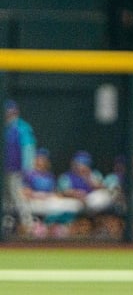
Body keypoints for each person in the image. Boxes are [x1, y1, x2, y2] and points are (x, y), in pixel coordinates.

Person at [22, 147, 83, 238]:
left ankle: (54, 225)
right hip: (34, 202)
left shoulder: (49, 176)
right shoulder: (29, 175)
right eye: (39, 158)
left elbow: (56, 192)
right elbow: (24, 193)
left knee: (73, 205)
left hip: (48, 201)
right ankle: (43, 226)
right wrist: (40, 195)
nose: (41, 161)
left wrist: (55, 196)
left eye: (43, 159)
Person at [57, 150, 116, 236]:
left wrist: (88, 178)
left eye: (84, 164)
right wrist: (76, 194)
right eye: (78, 163)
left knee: (102, 198)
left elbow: (103, 188)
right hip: (74, 205)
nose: (80, 166)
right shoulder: (66, 177)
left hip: (93, 207)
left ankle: (100, 228)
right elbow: (63, 192)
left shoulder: (94, 175)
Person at [3, 99, 36, 235]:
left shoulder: (22, 128)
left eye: (11, 111)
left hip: (17, 170)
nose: (8, 114)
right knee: (6, 199)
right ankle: (7, 225)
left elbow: (28, 148)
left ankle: (29, 225)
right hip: (5, 170)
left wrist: (27, 168)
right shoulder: (5, 127)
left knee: (18, 197)